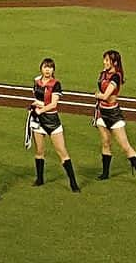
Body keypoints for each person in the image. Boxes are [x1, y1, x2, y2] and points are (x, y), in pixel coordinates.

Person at [93, 49, 136, 185]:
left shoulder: (116, 76)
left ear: (115, 62)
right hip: (102, 112)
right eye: (104, 60)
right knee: (105, 142)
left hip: (113, 114)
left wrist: (98, 95)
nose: (105, 62)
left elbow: (105, 96)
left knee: (125, 146)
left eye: (107, 60)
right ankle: (105, 173)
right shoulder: (103, 74)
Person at [27, 57, 80, 190]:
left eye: (50, 67)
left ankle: (73, 183)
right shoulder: (36, 81)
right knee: (39, 151)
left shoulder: (56, 84)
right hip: (38, 122)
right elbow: (39, 99)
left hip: (52, 121)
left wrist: (41, 110)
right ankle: (39, 179)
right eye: (45, 67)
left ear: (53, 70)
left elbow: (53, 104)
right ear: (41, 68)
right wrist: (36, 105)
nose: (47, 70)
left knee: (62, 152)